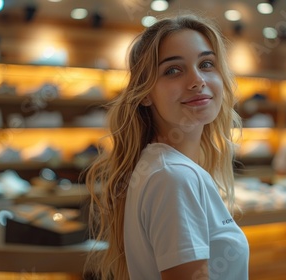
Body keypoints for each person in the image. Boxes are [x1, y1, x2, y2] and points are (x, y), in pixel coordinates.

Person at [84, 13, 249, 280]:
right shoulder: (175, 178)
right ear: (146, 94)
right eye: (173, 70)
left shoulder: (160, 167)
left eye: (206, 64)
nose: (197, 80)